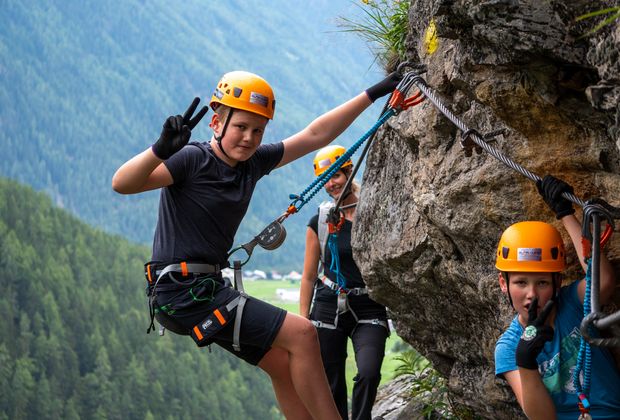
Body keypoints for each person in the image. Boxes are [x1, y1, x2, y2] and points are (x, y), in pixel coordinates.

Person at [112, 70, 401, 420]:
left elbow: (315, 134)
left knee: (281, 365)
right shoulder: (191, 159)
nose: (249, 138)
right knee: (304, 332)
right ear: (216, 122)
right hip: (184, 290)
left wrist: (375, 92)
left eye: (258, 130)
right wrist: (159, 151)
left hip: (200, 290)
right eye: (241, 127)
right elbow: (123, 183)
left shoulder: (253, 164)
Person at [494, 175, 620, 419]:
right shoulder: (509, 348)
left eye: (542, 282)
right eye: (521, 282)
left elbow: (602, 281)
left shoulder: (571, 303)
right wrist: (526, 362)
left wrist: (565, 213)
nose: (532, 294)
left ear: (557, 282)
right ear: (504, 284)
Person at [300, 145, 389, 420]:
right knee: (332, 380)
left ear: (349, 172)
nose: (331, 184)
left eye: (336, 176)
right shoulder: (321, 221)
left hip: (369, 306)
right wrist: (303, 320)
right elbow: (308, 274)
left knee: (369, 372)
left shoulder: (373, 212)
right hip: (328, 304)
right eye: (325, 180)